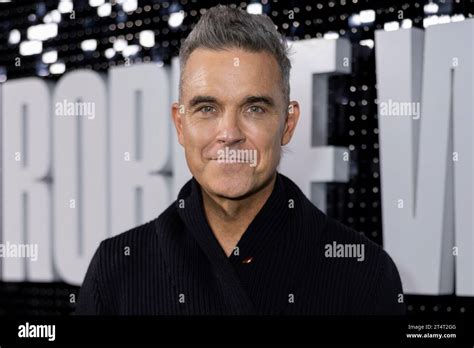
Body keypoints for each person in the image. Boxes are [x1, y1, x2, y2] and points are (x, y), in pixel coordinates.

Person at [76, 5, 405, 315]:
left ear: (287, 124)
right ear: (180, 124)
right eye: (207, 109)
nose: (229, 133)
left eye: (254, 109)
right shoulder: (115, 270)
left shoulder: (365, 272)